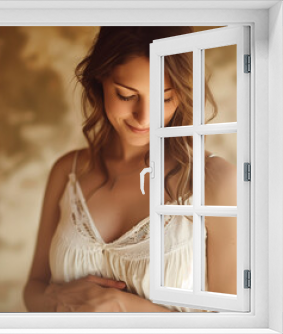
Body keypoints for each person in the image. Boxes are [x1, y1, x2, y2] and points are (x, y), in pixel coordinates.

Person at [23, 27, 237, 312]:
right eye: (126, 95)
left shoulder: (214, 182)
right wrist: (57, 298)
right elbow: (34, 289)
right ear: (100, 81)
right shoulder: (68, 171)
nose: (144, 117)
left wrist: (123, 305)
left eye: (164, 99)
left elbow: (231, 325)